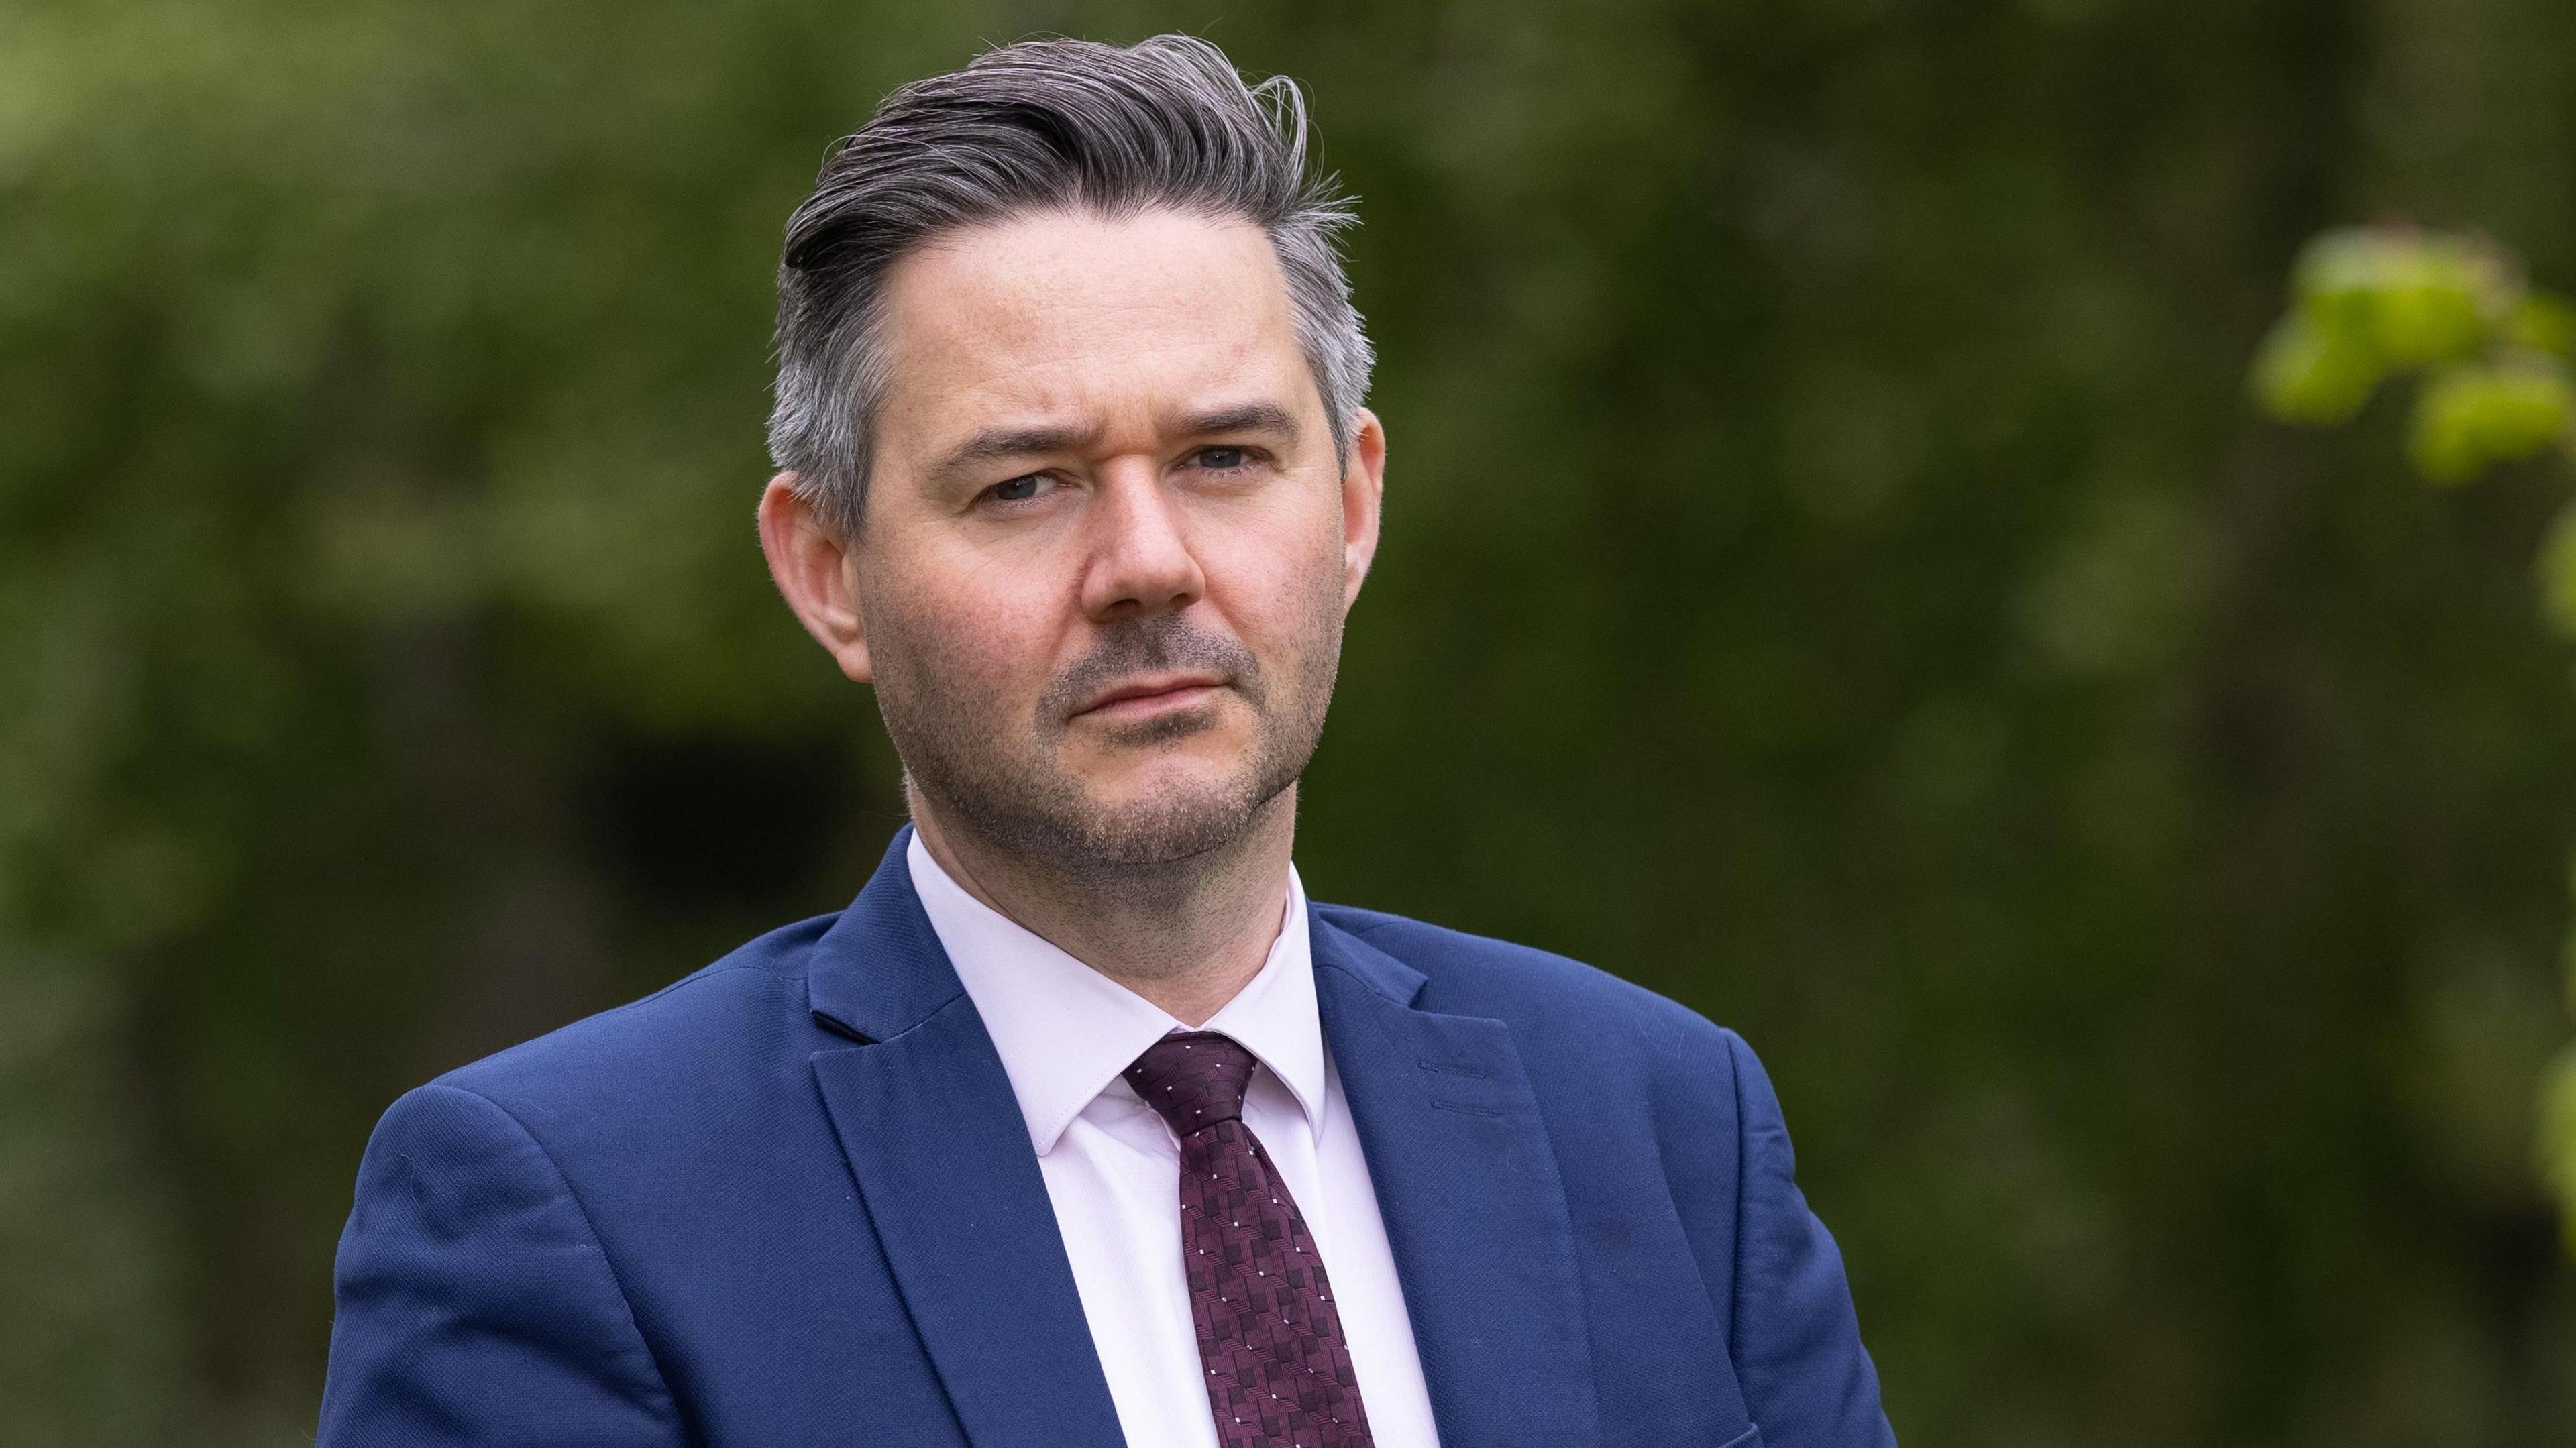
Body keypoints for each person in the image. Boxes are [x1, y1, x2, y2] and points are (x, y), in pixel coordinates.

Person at [317, 33, 1896, 1448]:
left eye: (1222, 456)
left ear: (1350, 506)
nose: (1147, 560)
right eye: (1026, 483)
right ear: (828, 573)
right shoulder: (568, 1212)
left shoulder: (1667, 1126)